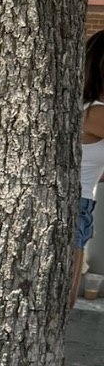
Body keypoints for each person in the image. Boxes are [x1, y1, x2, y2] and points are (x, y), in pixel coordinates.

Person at [73, 30, 104, 309]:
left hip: (83, 204)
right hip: (76, 206)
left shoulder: (86, 108)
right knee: (65, 299)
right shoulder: (98, 113)